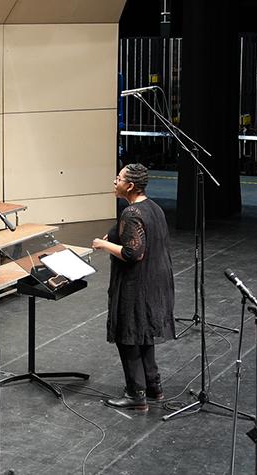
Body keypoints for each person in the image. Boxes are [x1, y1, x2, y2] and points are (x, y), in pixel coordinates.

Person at [92, 163, 174, 411]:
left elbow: (132, 252)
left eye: (118, 178)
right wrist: (114, 234)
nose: (114, 182)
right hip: (156, 282)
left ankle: (135, 394)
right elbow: (139, 235)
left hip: (137, 285)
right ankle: (153, 387)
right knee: (144, 334)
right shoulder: (154, 207)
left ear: (129, 185)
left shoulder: (131, 213)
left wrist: (103, 244)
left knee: (128, 336)